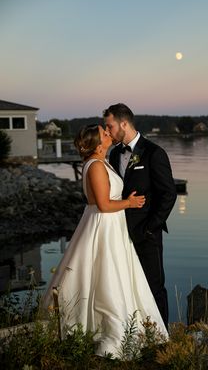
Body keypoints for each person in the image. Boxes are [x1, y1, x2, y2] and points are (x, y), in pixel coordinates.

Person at [42, 124, 168, 357]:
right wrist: (129, 203)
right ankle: (110, 334)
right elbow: (103, 204)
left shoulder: (100, 162)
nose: (109, 134)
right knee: (107, 276)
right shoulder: (97, 166)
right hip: (104, 225)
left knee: (111, 276)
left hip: (111, 226)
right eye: (104, 133)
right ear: (98, 144)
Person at [103, 103, 177, 329]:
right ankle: (135, 333)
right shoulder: (115, 154)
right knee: (126, 286)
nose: (108, 131)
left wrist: (150, 227)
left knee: (154, 285)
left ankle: (162, 335)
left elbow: (168, 194)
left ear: (124, 123)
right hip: (120, 233)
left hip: (147, 233)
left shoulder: (154, 153)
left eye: (110, 126)